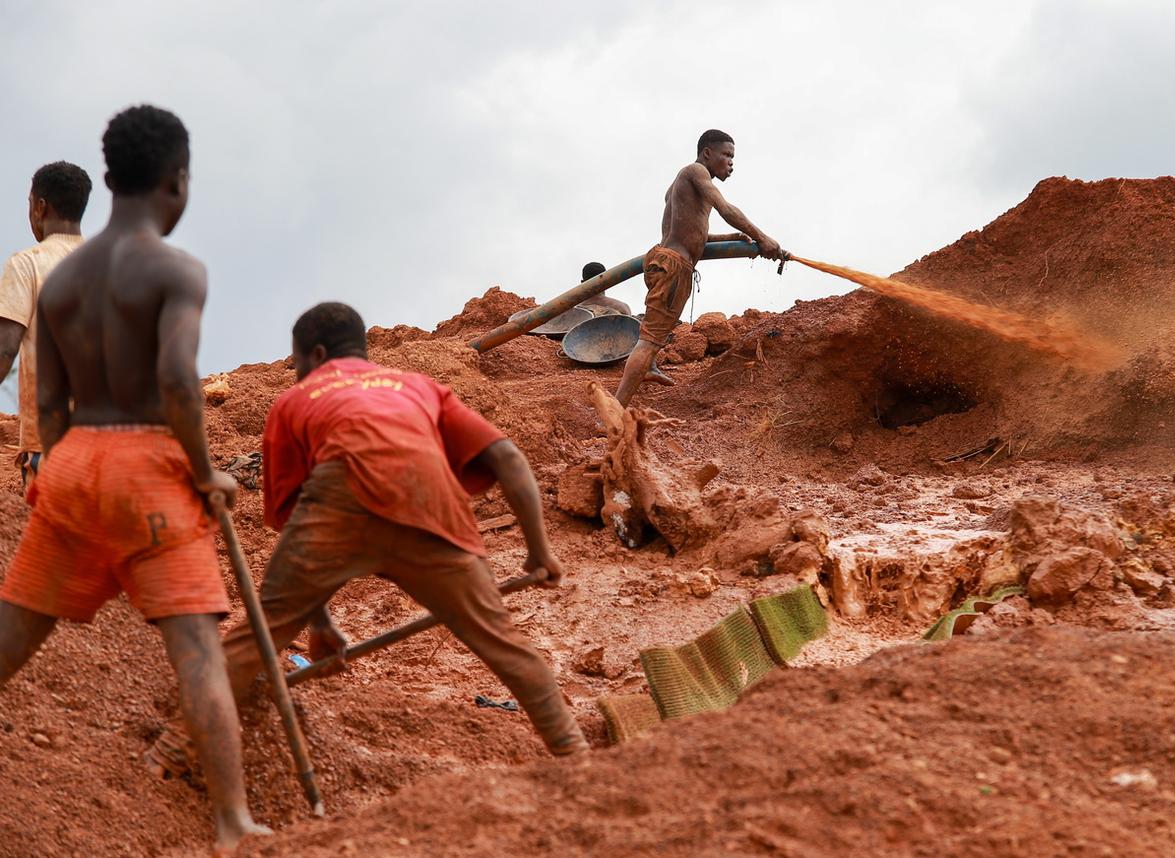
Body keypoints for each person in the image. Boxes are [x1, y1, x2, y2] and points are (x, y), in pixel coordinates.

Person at [145, 302, 589, 782]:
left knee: (257, 637)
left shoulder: (294, 401)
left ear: (314, 354)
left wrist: (316, 621)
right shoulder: (419, 386)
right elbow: (507, 458)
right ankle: (577, 758)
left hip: (336, 502)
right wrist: (538, 551)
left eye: (296, 363)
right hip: (430, 503)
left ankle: (171, 752)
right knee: (503, 642)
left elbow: (291, 519)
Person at [0, 105, 269, 854]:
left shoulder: (59, 280)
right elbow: (180, 381)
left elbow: (48, 400)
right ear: (177, 183)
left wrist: (55, 475)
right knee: (197, 655)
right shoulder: (176, 269)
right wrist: (204, 468)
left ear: (111, 179)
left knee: (13, 635)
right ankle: (231, 823)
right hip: (148, 464)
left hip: (72, 460)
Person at [614, 129, 785, 406]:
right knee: (649, 340)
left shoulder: (679, 187)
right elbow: (726, 209)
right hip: (674, 266)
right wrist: (763, 237)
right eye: (727, 155)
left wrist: (732, 239)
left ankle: (650, 367)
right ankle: (613, 411)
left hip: (663, 259)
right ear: (708, 153)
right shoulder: (696, 171)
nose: (731, 162)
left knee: (655, 331)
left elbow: (692, 239)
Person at [0, 161, 92, 487]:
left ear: (40, 206)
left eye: (29, 204)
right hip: (108, 450)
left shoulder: (27, 265)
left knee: (51, 537)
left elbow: (5, 349)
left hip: (51, 448)